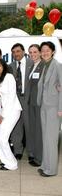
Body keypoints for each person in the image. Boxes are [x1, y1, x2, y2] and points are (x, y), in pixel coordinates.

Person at [37, 41, 62, 177]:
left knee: (51, 140)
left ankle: (51, 170)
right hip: (44, 106)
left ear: (53, 51)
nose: (44, 52)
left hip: (54, 107)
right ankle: (45, 165)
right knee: (45, 138)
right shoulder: (45, 66)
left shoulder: (57, 66)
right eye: (43, 50)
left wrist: (60, 108)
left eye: (47, 50)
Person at [0, 59, 22, 171]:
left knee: (2, 138)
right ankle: (5, 161)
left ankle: (12, 164)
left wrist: (3, 115)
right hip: (2, 113)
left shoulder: (9, 77)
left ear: (3, 67)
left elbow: (11, 97)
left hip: (12, 111)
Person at [10, 43, 33, 160]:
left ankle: (31, 152)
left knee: (29, 127)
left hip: (28, 99)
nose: (16, 54)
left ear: (23, 51)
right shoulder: (10, 66)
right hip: (15, 100)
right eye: (13, 52)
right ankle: (18, 151)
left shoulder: (31, 63)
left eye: (18, 51)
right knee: (16, 126)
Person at [27, 44, 44, 167]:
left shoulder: (44, 66)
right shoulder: (32, 65)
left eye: (35, 52)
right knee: (33, 130)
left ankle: (40, 158)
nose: (33, 55)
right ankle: (34, 154)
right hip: (31, 103)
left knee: (39, 131)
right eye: (31, 53)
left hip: (39, 104)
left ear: (40, 53)